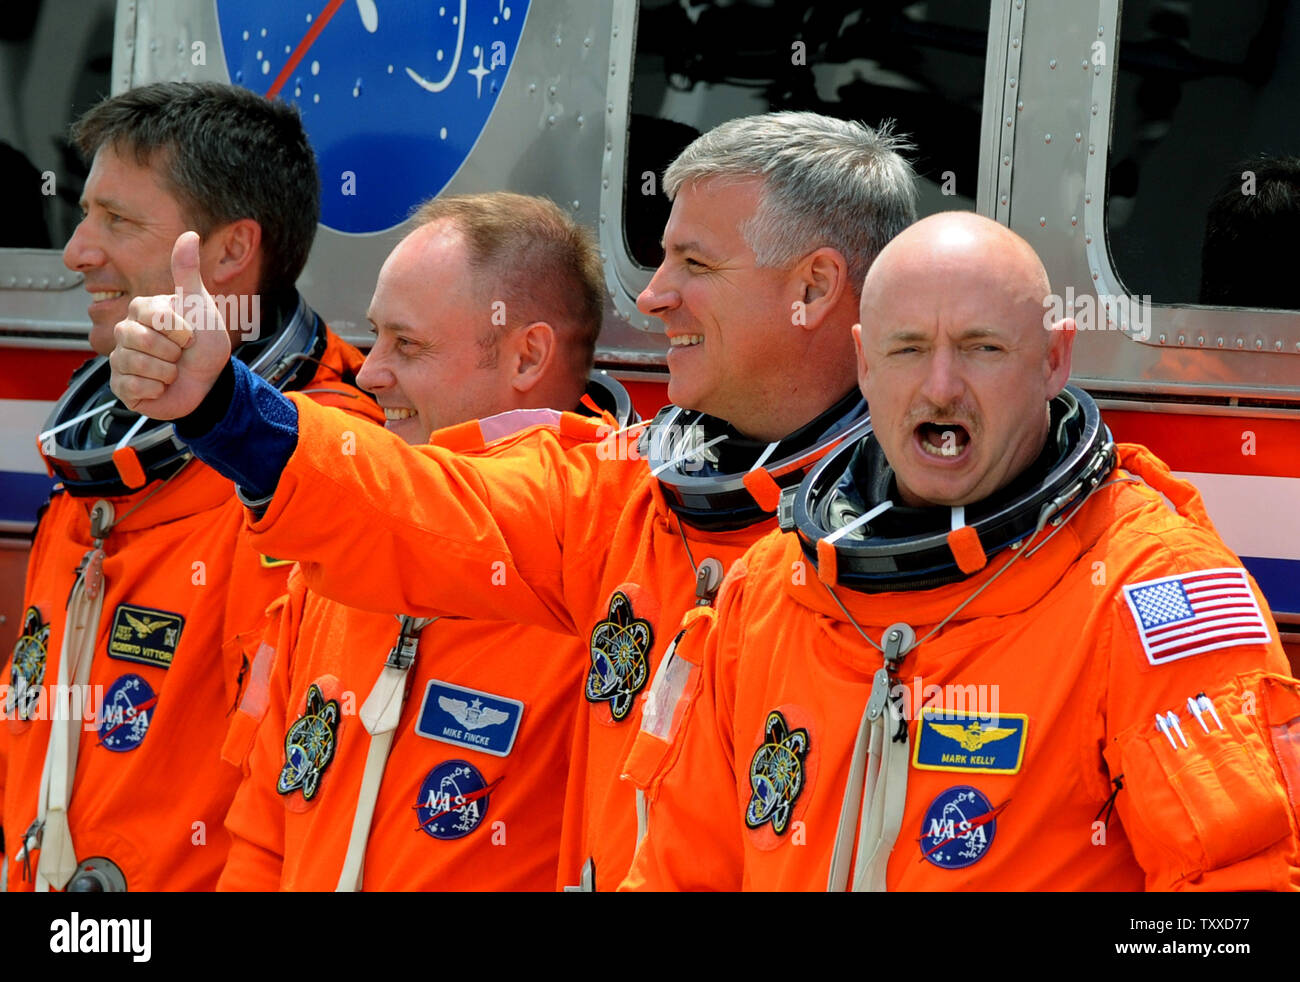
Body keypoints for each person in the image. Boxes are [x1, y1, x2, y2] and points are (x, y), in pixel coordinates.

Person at [108, 111, 919, 890]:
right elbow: (412, 505)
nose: (653, 296)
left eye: (694, 265)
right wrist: (226, 409)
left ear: (813, 287)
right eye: (661, 260)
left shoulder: (947, 551)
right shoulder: (621, 494)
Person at [621, 212, 1300, 891]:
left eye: (982, 349)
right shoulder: (770, 588)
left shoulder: (1149, 589)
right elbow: (678, 874)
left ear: (1054, 360)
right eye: (908, 349)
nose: (941, 387)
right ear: (863, 363)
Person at [1, 82, 382, 892]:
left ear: (229, 251)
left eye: (118, 221)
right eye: (84, 213)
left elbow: (290, 787)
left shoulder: (314, 470)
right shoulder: (98, 446)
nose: (75, 252)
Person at [217, 192, 637, 891]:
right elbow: (264, 836)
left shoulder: (613, 563)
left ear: (526, 354)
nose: (369, 372)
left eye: (406, 344)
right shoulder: (340, 554)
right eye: (375, 336)